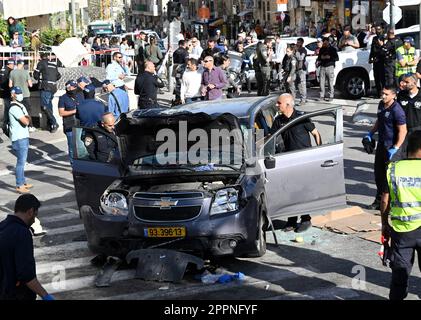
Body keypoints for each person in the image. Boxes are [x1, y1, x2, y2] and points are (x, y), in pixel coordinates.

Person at [270, 93, 322, 232]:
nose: (276, 105)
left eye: (278, 103)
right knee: (290, 192)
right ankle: (292, 220)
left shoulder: (301, 118)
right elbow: (269, 138)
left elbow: (316, 134)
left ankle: (306, 219)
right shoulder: (278, 120)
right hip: (288, 160)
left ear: (287, 104)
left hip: (305, 160)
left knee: (303, 191)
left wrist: (319, 153)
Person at [380, 130, 421, 300]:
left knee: (400, 276)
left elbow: (384, 200)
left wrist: (384, 224)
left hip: (402, 231)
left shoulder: (393, 169)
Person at [0, 194, 54, 300]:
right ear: (30, 212)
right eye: (35, 215)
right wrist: (45, 295)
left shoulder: (2, 226)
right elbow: (26, 275)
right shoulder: (22, 233)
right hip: (15, 294)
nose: (34, 220)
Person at [364, 86, 407, 210]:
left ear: (393, 96)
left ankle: (392, 204)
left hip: (392, 148)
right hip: (382, 145)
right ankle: (379, 201)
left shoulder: (397, 110)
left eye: (386, 94)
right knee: (379, 175)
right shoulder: (381, 105)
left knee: (390, 178)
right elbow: (379, 120)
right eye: (382, 93)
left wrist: (396, 147)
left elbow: (403, 131)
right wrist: (370, 134)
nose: (383, 96)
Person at [8, 87, 32, 193]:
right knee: (20, 162)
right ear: (13, 94)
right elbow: (26, 121)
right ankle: (19, 185)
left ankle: (23, 182)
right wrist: (27, 118)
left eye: (20, 92)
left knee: (22, 162)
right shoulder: (14, 108)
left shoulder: (20, 105)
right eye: (18, 93)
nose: (20, 94)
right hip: (19, 138)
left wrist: (27, 118)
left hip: (23, 136)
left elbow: (28, 118)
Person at [33, 53, 61, 133]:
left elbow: (35, 75)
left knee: (44, 106)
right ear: (48, 58)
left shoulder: (41, 63)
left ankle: (54, 123)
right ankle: (50, 124)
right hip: (53, 88)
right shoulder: (53, 65)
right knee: (49, 105)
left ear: (41, 58)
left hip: (45, 87)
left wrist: (40, 79)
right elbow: (59, 76)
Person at [58, 80, 85, 163]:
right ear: (68, 88)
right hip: (70, 125)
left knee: (82, 145)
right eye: (73, 86)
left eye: (75, 86)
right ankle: (73, 165)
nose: (74, 88)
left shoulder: (80, 95)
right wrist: (74, 111)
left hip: (81, 124)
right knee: (72, 146)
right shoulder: (63, 98)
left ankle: (83, 162)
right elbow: (61, 112)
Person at [316, 37, 339, 101]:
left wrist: (329, 57)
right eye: (324, 42)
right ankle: (321, 95)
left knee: (330, 82)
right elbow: (319, 58)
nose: (325, 43)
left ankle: (331, 95)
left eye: (326, 42)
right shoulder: (322, 49)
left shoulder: (333, 49)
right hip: (322, 66)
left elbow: (337, 58)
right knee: (321, 82)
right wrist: (321, 58)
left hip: (330, 66)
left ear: (329, 42)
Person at [369, 28, 386, 97]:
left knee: (382, 77)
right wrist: (370, 57)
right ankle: (378, 93)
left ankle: (383, 92)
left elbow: (385, 49)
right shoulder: (374, 38)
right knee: (376, 77)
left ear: (382, 30)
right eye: (377, 30)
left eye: (379, 30)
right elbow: (372, 49)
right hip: (375, 60)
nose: (378, 31)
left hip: (382, 60)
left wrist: (381, 44)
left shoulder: (384, 38)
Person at [294, 38, 307, 105]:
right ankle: (301, 98)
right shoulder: (296, 49)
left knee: (302, 85)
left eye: (299, 42)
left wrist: (296, 51)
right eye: (297, 42)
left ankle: (303, 99)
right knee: (298, 85)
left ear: (302, 43)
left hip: (301, 69)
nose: (297, 43)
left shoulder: (303, 50)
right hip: (296, 69)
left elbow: (300, 58)